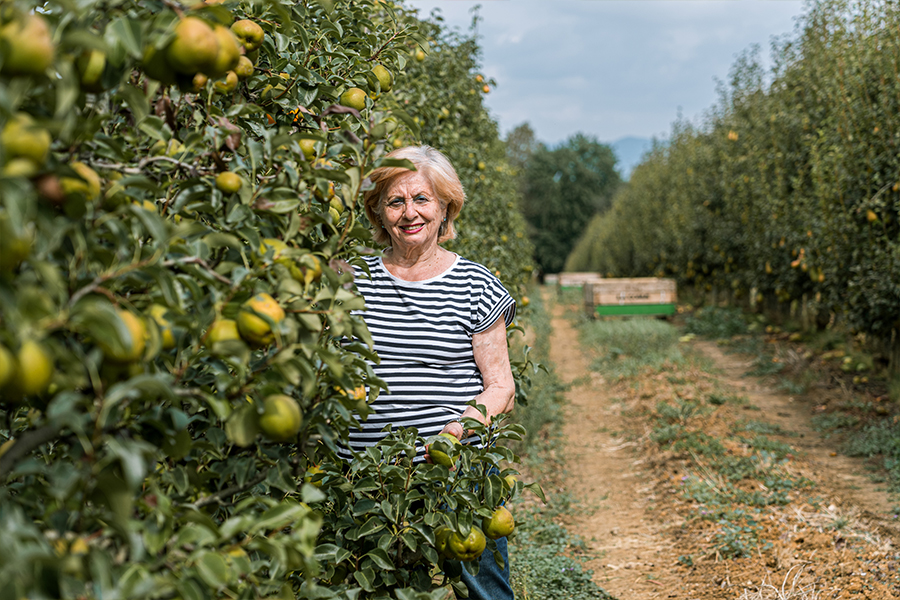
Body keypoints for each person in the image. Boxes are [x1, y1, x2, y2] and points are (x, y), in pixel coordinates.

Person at [347, 145, 517, 600]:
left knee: (484, 592)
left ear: (445, 207)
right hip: (366, 478)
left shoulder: (476, 285)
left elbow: (501, 386)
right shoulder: (350, 282)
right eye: (395, 201)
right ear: (378, 213)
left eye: (422, 199)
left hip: (454, 474)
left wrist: (460, 429)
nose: (409, 213)